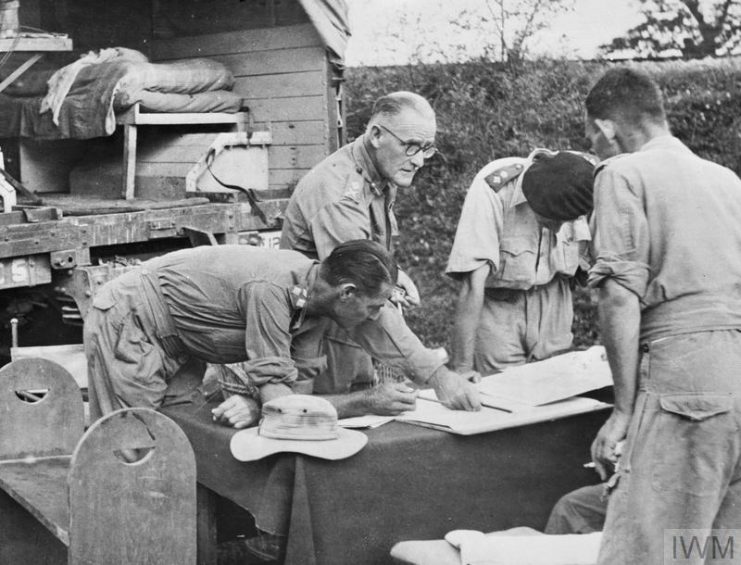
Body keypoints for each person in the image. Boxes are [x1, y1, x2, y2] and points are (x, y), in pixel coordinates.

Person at [585, 67, 741, 564]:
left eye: (592, 133)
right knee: (712, 544)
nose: (595, 144)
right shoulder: (727, 181)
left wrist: (624, 410)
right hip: (735, 380)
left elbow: (618, 297)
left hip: (683, 382)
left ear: (608, 127)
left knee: (649, 548)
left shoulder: (622, 173)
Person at [84, 239, 467, 427]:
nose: (376, 315)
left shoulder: (317, 298)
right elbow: (281, 407)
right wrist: (365, 402)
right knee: (131, 444)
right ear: (347, 293)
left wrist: (440, 377)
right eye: (373, 305)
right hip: (132, 320)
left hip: (182, 340)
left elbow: (293, 393)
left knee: (183, 439)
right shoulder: (274, 291)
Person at [281, 90, 480, 416]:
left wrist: (395, 275)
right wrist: (437, 375)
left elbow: (366, 256)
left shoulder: (378, 172)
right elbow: (360, 295)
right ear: (376, 135)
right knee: (323, 426)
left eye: (427, 149)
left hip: (346, 324)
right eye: (411, 146)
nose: (418, 160)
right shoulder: (340, 193)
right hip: (319, 333)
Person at [446, 149, 595, 375]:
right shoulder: (495, 187)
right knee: (504, 394)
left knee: (555, 393)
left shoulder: (586, 182)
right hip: (500, 308)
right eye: (549, 220)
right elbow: (472, 283)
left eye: (566, 221)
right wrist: (462, 368)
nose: (558, 229)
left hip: (554, 300)